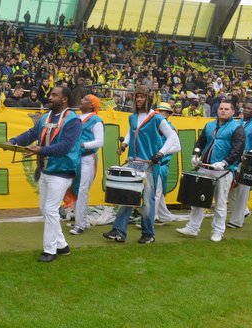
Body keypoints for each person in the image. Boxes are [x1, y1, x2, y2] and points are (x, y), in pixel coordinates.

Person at [9, 86, 81, 262]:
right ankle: (62, 245)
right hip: (46, 169)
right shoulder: (46, 117)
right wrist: (14, 141)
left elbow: (65, 146)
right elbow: (31, 134)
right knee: (46, 209)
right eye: (50, 95)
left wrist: (41, 149)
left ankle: (50, 250)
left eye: (54, 95)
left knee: (50, 209)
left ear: (64, 99)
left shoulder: (73, 120)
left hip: (62, 170)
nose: (50, 97)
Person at [103, 85, 180, 244]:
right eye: (137, 96)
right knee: (127, 197)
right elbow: (132, 132)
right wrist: (124, 144)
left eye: (142, 96)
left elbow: (172, 137)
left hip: (150, 164)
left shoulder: (157, 118)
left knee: (148, 201)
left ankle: (148, 233)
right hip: (133, 163)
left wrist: (160, 153)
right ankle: (118, 231)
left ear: (148, 98)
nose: (139, 99)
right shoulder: (132, 117)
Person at [176, 101, 245, 242]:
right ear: (217, 110)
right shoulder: (209, 125)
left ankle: (218, 231)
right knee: (197, 200)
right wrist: (195, 155)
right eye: (221, 108)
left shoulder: (237, 128)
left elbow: (238, 149)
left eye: (226, 109)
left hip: (223, 170)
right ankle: (192, 228)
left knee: (220, 202)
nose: (223, 111)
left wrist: (226, 162)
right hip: (205, 167)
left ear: (233, 112)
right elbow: (200, 142)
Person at [68, 94, 104, 235]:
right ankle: (81, 219)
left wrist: (82, 145)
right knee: (76, 189)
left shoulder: (96, 120)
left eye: (85, 100)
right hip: (76, 158)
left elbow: (100, 141)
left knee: (82, 190)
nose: (81, 100)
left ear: (91, 105)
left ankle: (80, 224)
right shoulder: (76, 118)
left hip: (88, 158)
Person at [227, 101, 252, 228]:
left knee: (242, 191)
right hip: (234, 159)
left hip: (249, 161)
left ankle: (236, 221)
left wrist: (249, 154)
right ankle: (244, 212)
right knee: (229, 188)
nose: (245, 110)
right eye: (244, 107)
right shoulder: (238, 122)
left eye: (249, 108)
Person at [154, 102, 179, 224]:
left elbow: (177, 147)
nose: (158, 113)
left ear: (168, 114)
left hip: (161, 165)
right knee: (156, 191)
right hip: (152, 164)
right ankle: (164, 216)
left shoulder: (170, 128)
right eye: (158, 110)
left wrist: (161, 152)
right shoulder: (153, 127)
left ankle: (150, 218)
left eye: (162, 111)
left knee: (155, 192)